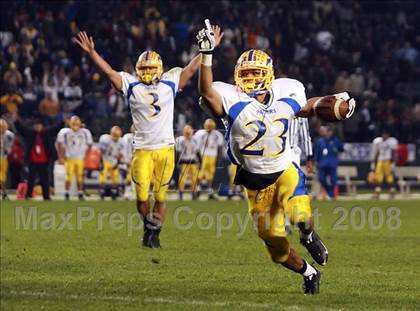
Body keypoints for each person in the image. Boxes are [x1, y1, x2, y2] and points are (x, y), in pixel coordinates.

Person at [196, 21, 354, 294]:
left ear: (268, 74)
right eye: (245, 73)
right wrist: (206, 56)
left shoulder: (286, 90)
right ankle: (308, 272)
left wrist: (332, 104)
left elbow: (306, 108)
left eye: (256, 73)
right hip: (254, 185)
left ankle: (308, 235)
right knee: (277, 249)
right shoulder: (230, 97)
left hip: (284, 170)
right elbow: (206, 91)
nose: (250, 79)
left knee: (301, 214)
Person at [75, 29, 222, 248]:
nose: (146, 72)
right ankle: (148, 226)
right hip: (142, 149)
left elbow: (191, 70)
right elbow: (109, 73)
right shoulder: (131, 85)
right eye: (143, 69)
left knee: (161, 197)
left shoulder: (170, 82)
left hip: (165, 148)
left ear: (160, 69)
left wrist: (206, 51)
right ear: (137, 70)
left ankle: (155, 234)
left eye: (151, 68)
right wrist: (92, 53)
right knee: (142, 196)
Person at [15, 118, 62, 200]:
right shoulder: (30, 134)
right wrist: (16, 121)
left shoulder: (46, 133)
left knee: (45, 180)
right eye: (36, 126)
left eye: (39, 125)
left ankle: (46, 196)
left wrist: (63, 122)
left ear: (42, 126)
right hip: (33, 160)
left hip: (44, 161)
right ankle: (28, 195)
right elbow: (22, 130)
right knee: (31, 179)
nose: (38, 127)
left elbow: (55, 129)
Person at [56, 116, 93, 200]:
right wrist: (61, 157)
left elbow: (90, 145)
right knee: (68, 176)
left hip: (80, 158)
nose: (75, 125)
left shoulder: (85, 132)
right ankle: (66, 193)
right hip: (69, 158)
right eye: (73, 123)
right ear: (70, 123)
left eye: (77, 122)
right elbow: (59, 145)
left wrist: (87, 156)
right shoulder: (65, 132)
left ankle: (80, 193)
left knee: (80, 176)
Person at [194, 118, 224, 199]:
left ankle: (210, 192)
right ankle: (198, 189)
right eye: (208, 126)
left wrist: (219, 159)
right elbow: (196, 147)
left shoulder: (217, 134)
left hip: (213, 156)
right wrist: (198, 158)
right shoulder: (200, 133)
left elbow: (220, 148)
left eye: (210, 126)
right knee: (200, 174)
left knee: (211, 175)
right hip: (203, 155)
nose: (209, 128)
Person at [314, 126, 343, 200]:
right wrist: (316, 161)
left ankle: (332, 195)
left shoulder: (335, 140)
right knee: (321, 179)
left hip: (332, 163)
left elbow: (341, 149)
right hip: (322, 163)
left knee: (333, 180)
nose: (327, 133)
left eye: (329, 132)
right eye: (326, 131)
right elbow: (317, 152)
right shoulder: (320, 141)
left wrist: (337, 148)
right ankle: (328, 192)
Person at [98, 126, 125, 200]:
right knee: (103, 178)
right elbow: (101, 151)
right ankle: (102, 192)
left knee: (115, 178)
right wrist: (101, 162)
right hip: (105, 160)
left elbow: (121, 154)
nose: (115, 137)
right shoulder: (105, 139)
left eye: (117, 135)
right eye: (114, 135)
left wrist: (118, 159)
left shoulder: (122, 141)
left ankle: (114, 192)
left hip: (114, 161)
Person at [370, 130, 398, 199]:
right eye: (384, 134)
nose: (385, 136)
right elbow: (375, 152)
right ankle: (377, 193)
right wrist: (373, 162)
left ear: (388, 135)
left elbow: (394, 153)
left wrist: (393, 162)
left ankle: (392, 192)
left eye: (386, 134)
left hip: (388, 161)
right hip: (380, 160)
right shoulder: (378, 141)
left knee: (389, 177)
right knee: (378, 176)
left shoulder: (392, 141)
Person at [175, 125, 201, 200]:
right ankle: (181, 194)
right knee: (183, 179)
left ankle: (192, 193)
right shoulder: (181, 140)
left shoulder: (194, 140)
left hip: (191, 161)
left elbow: (197, 152)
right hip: (185, 161)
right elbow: (178, 152)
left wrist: (176, 161)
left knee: (193, 179)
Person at [0, 119, 15, 199]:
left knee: (3, 175)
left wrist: (7, 149)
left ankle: (4, 192)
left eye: (2, 127)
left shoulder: (9, 135)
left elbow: (9, 148)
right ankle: (4, 192)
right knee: (2, 175)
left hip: (3, 157)